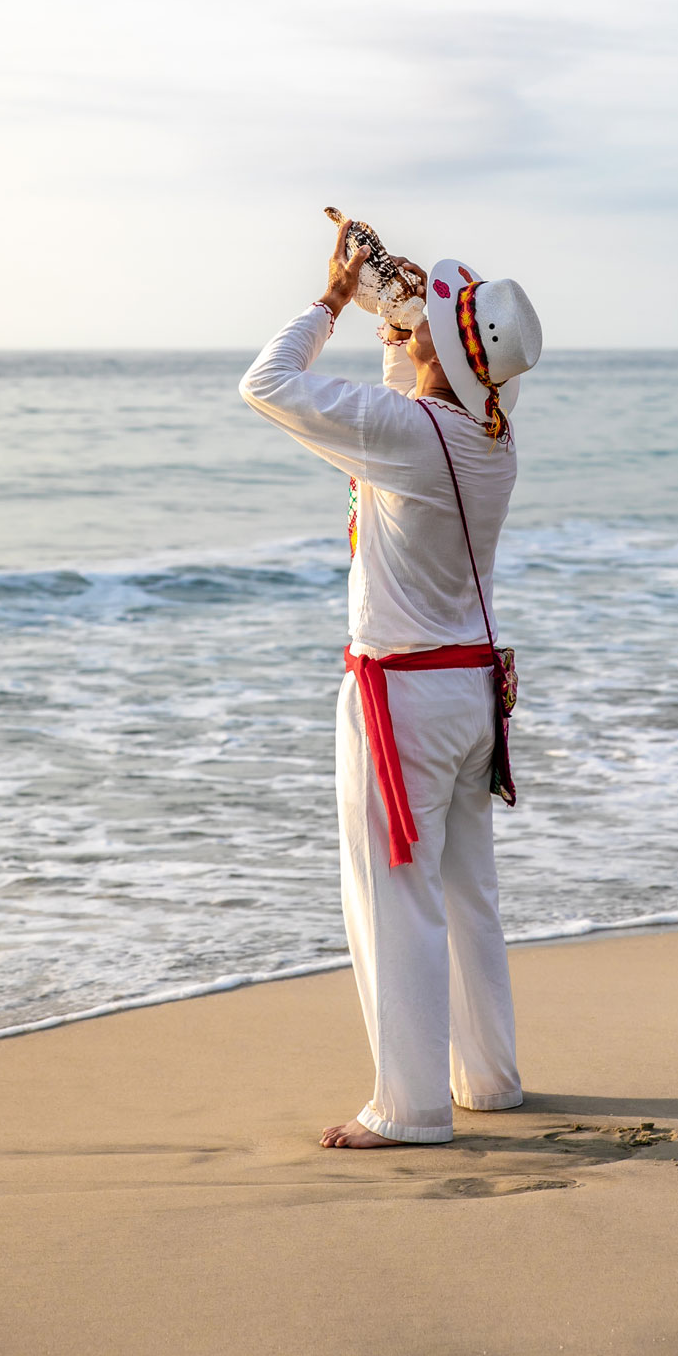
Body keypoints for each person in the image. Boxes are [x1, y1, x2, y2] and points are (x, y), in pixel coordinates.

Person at [239, 218, 543, 1149]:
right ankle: (486, 1081)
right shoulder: (489, 436)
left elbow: (267, 386)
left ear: (443, 355)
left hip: (403, 698)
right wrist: (400, 324)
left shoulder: (409, 430)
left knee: (391, 896)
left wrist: (333, 299)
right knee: (465, 893)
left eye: (427, 323)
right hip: (465, 699)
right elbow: (401, 418)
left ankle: (408, 1109)